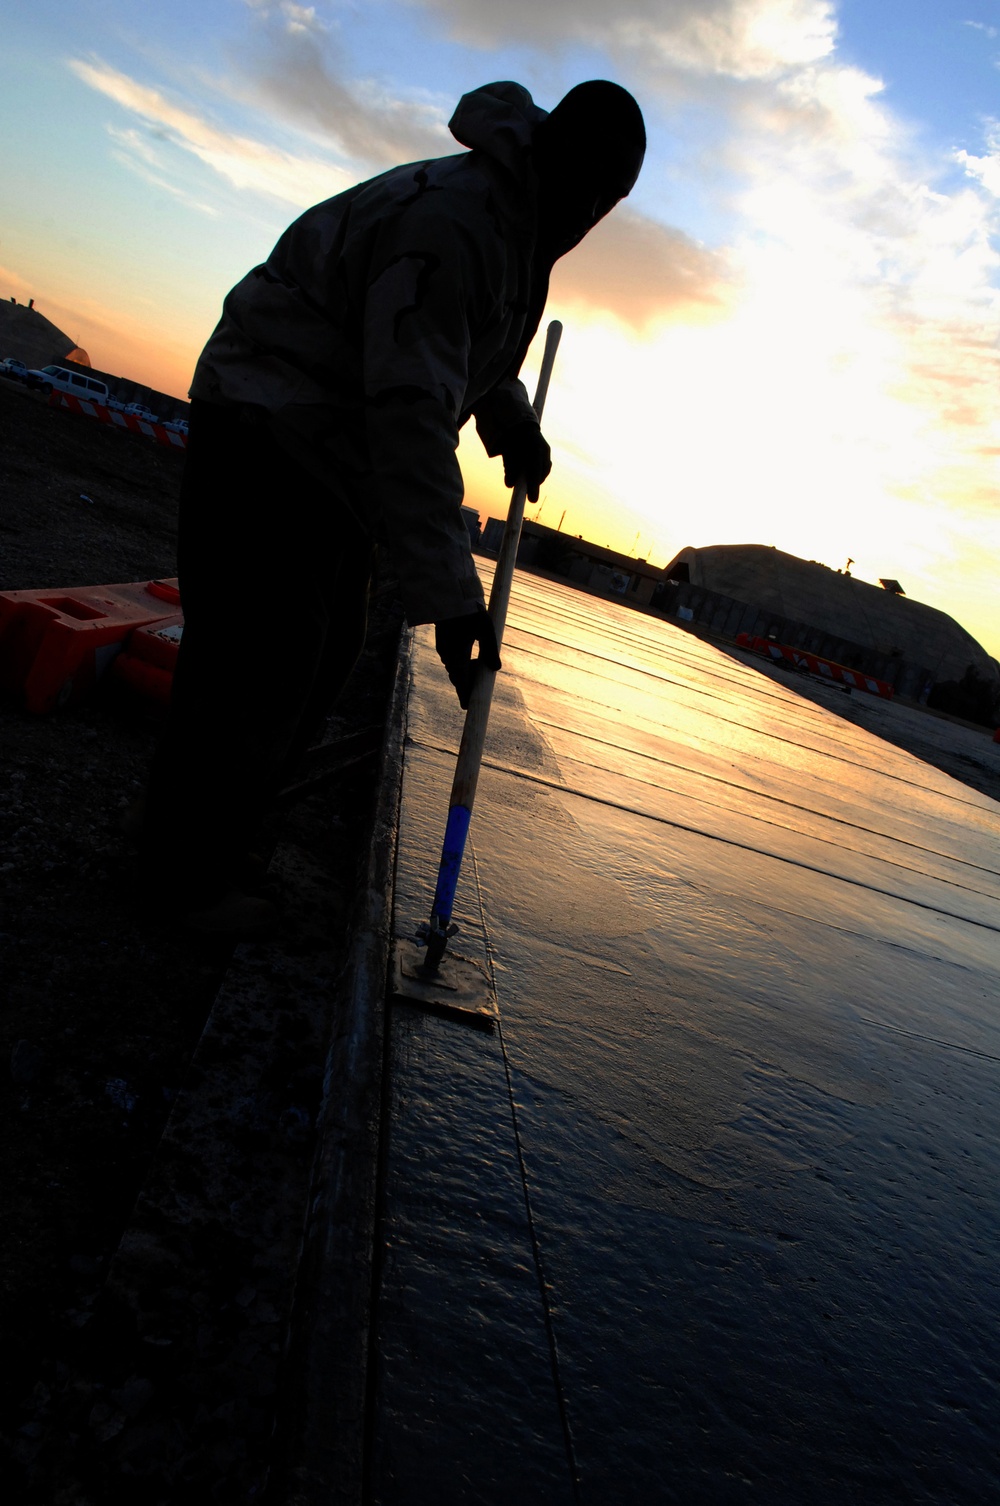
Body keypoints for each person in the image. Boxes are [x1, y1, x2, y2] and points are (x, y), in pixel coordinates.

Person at [141, 78, 646, 934]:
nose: (592, 213)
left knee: (327, 646)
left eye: (609, 200)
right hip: (275, 421)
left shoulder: (516, 223)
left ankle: (213, 846)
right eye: (593, 187)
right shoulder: (464, 222)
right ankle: (179, 885)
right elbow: (409, 410)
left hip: (325, 438)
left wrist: (510, 418)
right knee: (265, 652)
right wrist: (451, 599)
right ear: (562, 157)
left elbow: (457, 340)